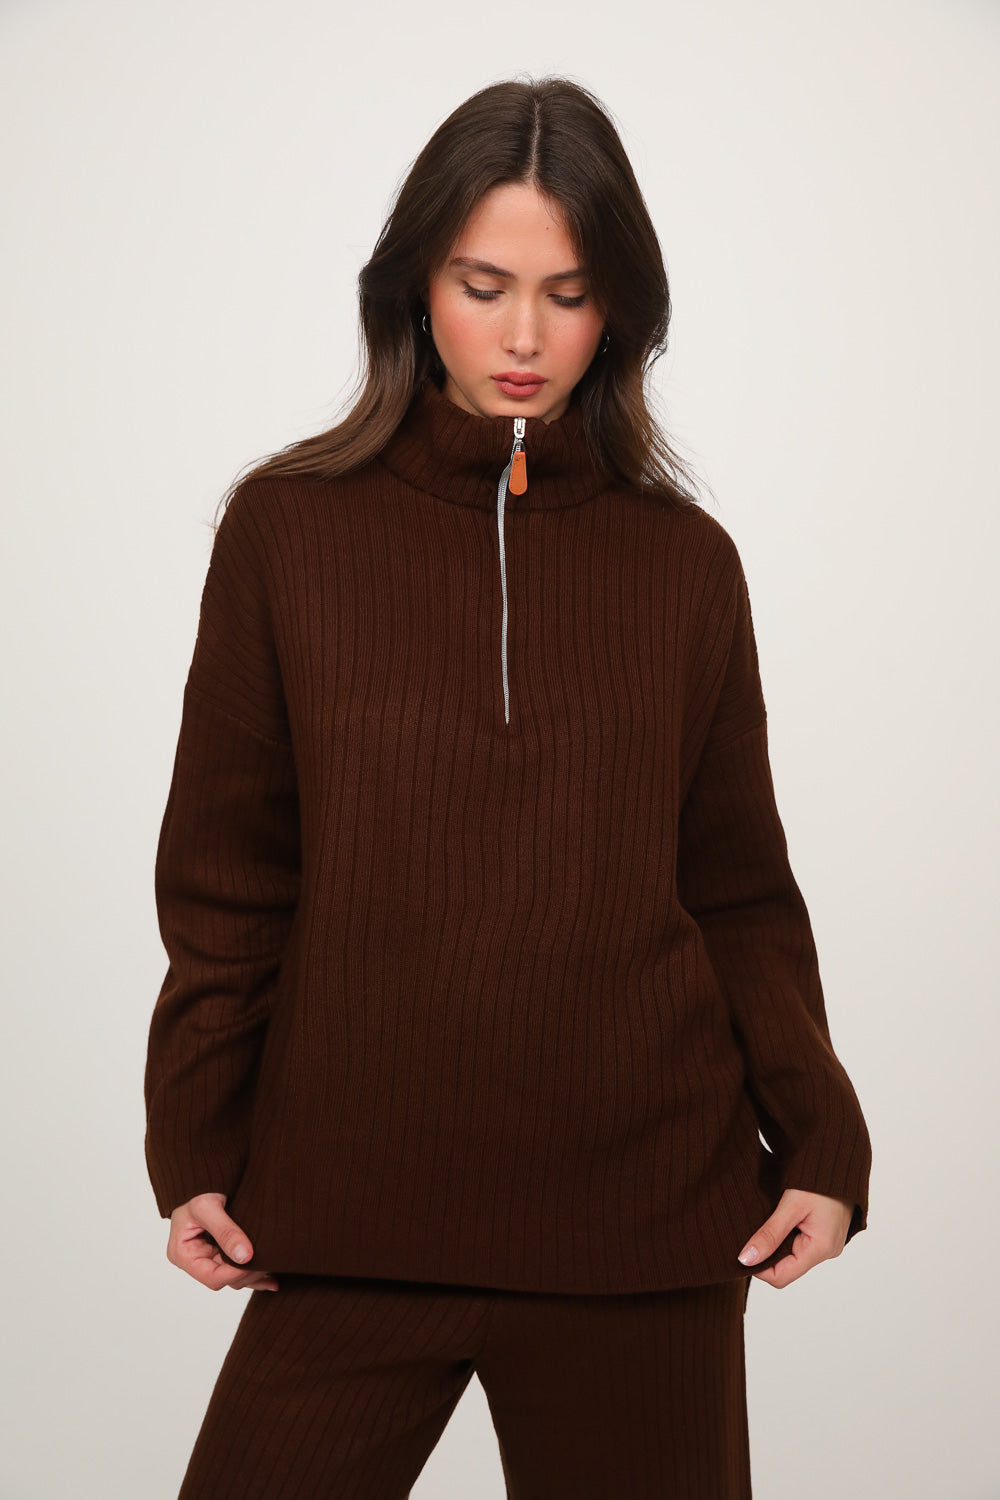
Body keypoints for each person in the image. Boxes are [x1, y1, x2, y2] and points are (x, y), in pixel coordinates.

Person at [144, 75, 872, 1500]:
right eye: (485, 288)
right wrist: (195, 1140)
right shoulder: (287, 532)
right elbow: (229, 878)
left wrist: (825, 1138)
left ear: (621, 311)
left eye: (570, 294)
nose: (526, 337)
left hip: (645, 1226)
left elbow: (736, 889)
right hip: (350, 1209)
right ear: (417, 288)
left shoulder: (685, 564)